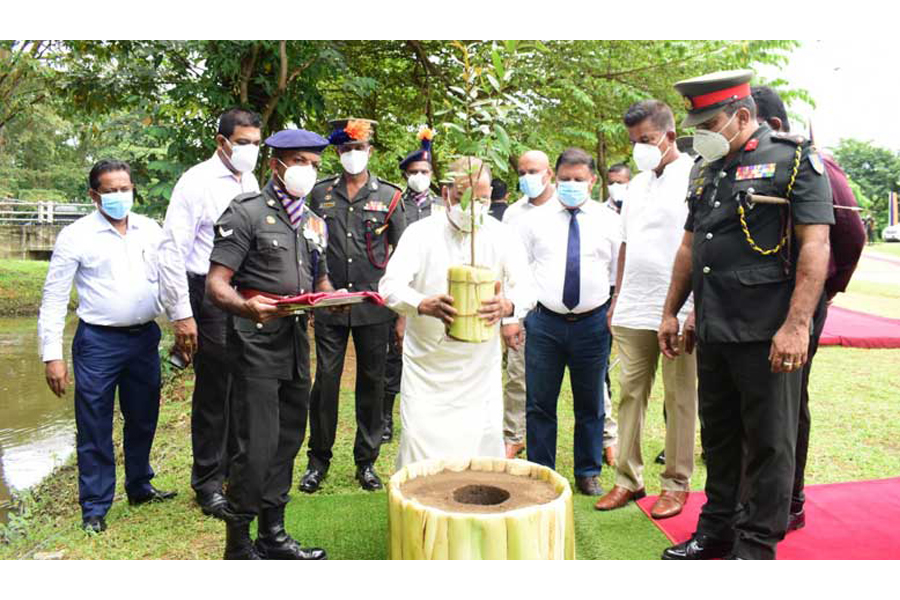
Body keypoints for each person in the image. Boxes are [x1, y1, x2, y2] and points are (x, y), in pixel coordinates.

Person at [658, 70, 833, 560]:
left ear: (741, 116)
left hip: (768, 329)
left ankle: (755, 545)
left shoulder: (794, 157)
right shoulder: (705, 167)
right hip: (714, 326)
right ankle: (716, 531)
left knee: (771, 442)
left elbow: (815, 245)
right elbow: (691, 247)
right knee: (718, 435)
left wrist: (798, 326)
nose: (702, 134)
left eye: (710, 122)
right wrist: (674, 311)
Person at [206, 129, 333, 560]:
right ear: (275, 163)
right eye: (300, 162)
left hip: (297, 342)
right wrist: (247, 306)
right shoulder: (245, 212)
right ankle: (239, 544)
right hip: (255, 343)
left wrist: (332, 296)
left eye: (315, 165)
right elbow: (216, 286)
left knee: (288, 440)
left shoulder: (315, 222)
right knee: (255, 445)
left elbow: (320, 277)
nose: (308, 172)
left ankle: (273, 535)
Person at [38, 159, 176, 534]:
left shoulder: (150, 229)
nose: (120, 195)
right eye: (111, 190)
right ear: (94, 195)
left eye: (125, 188)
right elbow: (53, 297)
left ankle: (139, 485)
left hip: (144, 338)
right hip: (98, 342)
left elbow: (170, 278)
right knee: (94, 422)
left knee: (143, 415)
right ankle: (95, 506)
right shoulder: (76, 235)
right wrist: (53, 355)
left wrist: (182, 320)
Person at [751, 85, 866, 532]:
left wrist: (826, 290)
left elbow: (852, 235)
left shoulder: (811, 164)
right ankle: (756, 496)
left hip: (796, 304)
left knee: (788, 403)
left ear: (773, 126)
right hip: (753, 303)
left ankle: (789, 501)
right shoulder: (746, 166)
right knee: (756, 404)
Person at [379, 157, 534, 467]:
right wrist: (422, 304)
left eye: (483, 198)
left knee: (480, 445)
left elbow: (528, 287)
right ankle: (419, 513)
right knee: (420, 444)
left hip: (480, 366)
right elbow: (389, 287)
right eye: (467, 196)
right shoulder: (420, 233)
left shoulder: (501, 234)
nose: (475, 206)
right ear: (447, 192)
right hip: (428, 366)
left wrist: (509, 306)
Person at [594, 100, 698, 519]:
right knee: (630, 395)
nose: (640, 148)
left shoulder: (695, 175)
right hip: (634, 305)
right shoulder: (635, 184)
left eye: (648, 140)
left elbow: (698, 245)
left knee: (679, 399)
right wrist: (616, 297)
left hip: (678, 305)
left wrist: (691, 308)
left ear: (670, 136)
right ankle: (628, 480)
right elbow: (624, 244)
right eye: (635, 142)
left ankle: (675, 484)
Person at [158, 108, 262, 519]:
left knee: (243, 387)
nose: (250, 150)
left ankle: (233, 472)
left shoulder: (250, 180)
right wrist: (182, 314)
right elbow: (172, 251)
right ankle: (206, 483)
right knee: (214, 391)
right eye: (243, 143)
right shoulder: (196, 182)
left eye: (256, 143)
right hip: (206, 292)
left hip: (244, 293)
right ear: (222, 142)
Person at [302, 118, 407, 493]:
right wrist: (318, 286)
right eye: (345, 150)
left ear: (370, 151)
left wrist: (399, 313)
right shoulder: (319, 194)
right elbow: (309, 246)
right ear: (337, 152)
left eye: (358, 149)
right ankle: (318, 461)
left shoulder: (391, 196)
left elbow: (404, 257)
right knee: (325, 383)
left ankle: (366, 461)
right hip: (330, 305)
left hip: (373, 305)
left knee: (372, 383)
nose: (352, 156)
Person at [519, 148, 621, 496]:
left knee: (591, 401)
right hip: (544, 322)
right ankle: (541, 470)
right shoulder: (535, 220)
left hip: (593, 324)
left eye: (579, 180)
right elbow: (523, 271)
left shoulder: (610, 220)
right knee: (539, 401)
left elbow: (615, 272)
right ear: (554, 178)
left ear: (593, 182)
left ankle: (587, 470)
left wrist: (612, 309)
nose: (572, 185)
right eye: (565, 180)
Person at [382, 127, 443, 444]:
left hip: (433, 290)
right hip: (400, 286)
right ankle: (386, 419)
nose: (420, 176)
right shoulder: (395, 203)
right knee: (392, 357)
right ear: (406, 174)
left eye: (425, 171)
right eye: (414, 172)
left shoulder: (441, 205)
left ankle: (428, 419)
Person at [500, 150, 556, 459]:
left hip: (559, 310)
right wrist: (510, 315)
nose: (526, 178)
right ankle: (514, 435)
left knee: (591, 383)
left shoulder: (566, 208)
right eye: (522, 172)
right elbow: (505, 265)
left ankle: (606, 438)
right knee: (516, 376)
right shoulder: (512, 214)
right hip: (521, 309)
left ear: (549, 173)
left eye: (533, 171)